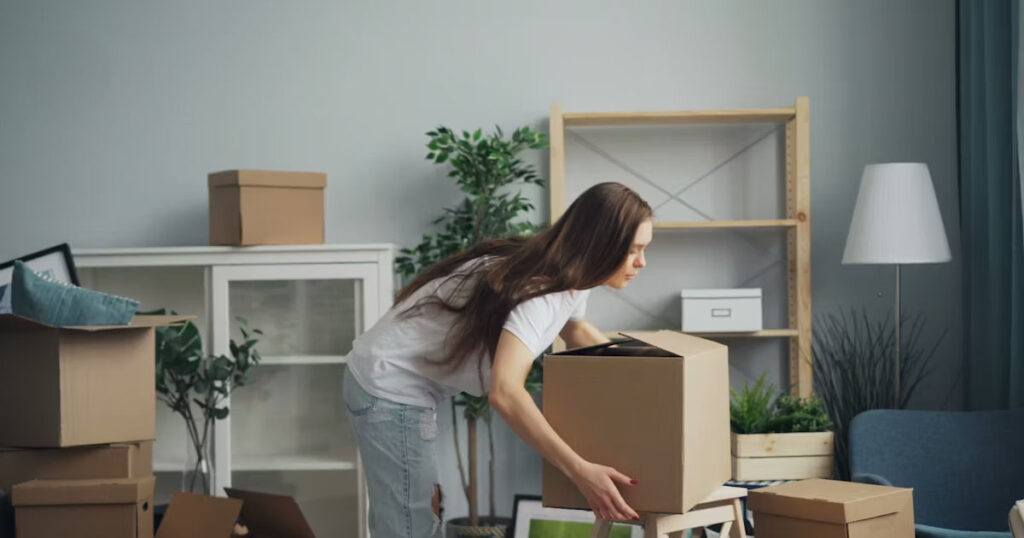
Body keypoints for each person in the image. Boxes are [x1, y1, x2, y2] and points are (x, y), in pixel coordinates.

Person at [343, 181, 654, 537]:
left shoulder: (572, 279)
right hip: (387, 383)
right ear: (601, 245)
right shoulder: (539, 292)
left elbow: (577, 332)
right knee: (409, 525)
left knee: (415, 516)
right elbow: (505, 393)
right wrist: (580, 471)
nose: (642, 262)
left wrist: (645, 378)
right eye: (634, 250)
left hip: (406, 383)